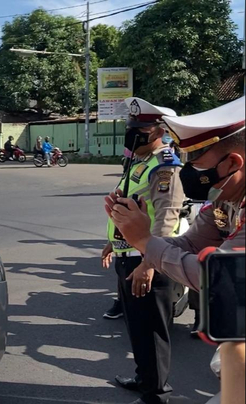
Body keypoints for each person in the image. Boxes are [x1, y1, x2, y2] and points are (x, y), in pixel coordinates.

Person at [108, 96, 245, 404]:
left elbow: (216, 278)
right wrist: (133, 232)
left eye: (197, 164)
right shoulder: (227, 199)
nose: (190, 173)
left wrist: (145, 245)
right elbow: (190, 243)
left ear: (234, 163)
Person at [102, 97, 185, 404]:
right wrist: (112, 242)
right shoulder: (139, 162)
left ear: (159, 131)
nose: (133, 134)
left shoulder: (164, 167)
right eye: (131, 127)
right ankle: (144, 378)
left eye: (140, 129)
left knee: (151, 331)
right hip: (128, 257)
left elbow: (166, 220)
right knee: (137, 328)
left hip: (145, 261)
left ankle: (156, 395)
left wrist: (150, 263)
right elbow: (127, 208)